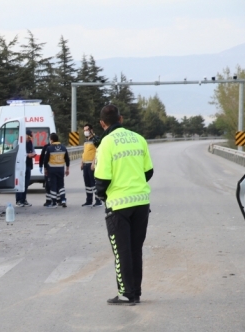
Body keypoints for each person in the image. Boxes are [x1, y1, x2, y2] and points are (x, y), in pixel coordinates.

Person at [94, 104, 154, 306]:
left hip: (118, 204)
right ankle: (135, 292)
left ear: (103, 123)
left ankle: (125, 293)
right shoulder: (139, 139)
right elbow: (148, 172)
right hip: (141, 202)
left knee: (121, 252)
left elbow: (101, 178)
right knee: (136, 249)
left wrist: (103, 196)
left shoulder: (106, 143)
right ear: (121, 119)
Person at [42, 133, 69, 208]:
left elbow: (45, 160)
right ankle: (63, 199)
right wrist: (67, 169)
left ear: (52, 140)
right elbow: (67, 159)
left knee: (53, 186)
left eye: (50, 139)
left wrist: (45, 169)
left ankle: (54, 203)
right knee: (61, 185)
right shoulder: (63, 147)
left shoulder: (49, 148)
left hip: (52, 170)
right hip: (60, 169)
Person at [81, 124, 103, 207]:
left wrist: (94, 163)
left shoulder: (96, 139)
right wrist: (82, 162)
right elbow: (84, 152)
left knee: (93, 183)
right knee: (87, 183)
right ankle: (89, 200)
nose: (85, 132)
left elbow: (98, 152)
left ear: (91, 130)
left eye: (87, 130)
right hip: (85, 164)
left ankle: (98, 200)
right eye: (84, 130)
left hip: (92, 164)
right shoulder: (86, 140)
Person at [16, 129, 36, 207]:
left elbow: (33, 151)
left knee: (26, 184)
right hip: (21, 166)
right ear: (25, 135)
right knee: (20, 183)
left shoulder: (30, 143)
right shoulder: (19, 142)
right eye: (29, 136)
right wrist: (27, 155)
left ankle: (24, 200)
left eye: (31, 136)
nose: (30, 138)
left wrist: (33, 154)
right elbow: (18, 153)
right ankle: (19, 200)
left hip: (28, 165)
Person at [39, 141, 51, 206]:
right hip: (54, 169)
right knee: (49, 185)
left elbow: (44, 159)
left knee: (50, 185)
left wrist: (42, 166)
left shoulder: (48, 147)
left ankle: (51, 201)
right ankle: (51, 200)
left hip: (49, 169)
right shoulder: (46, 147)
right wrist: (40, 165)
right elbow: (42, 157)